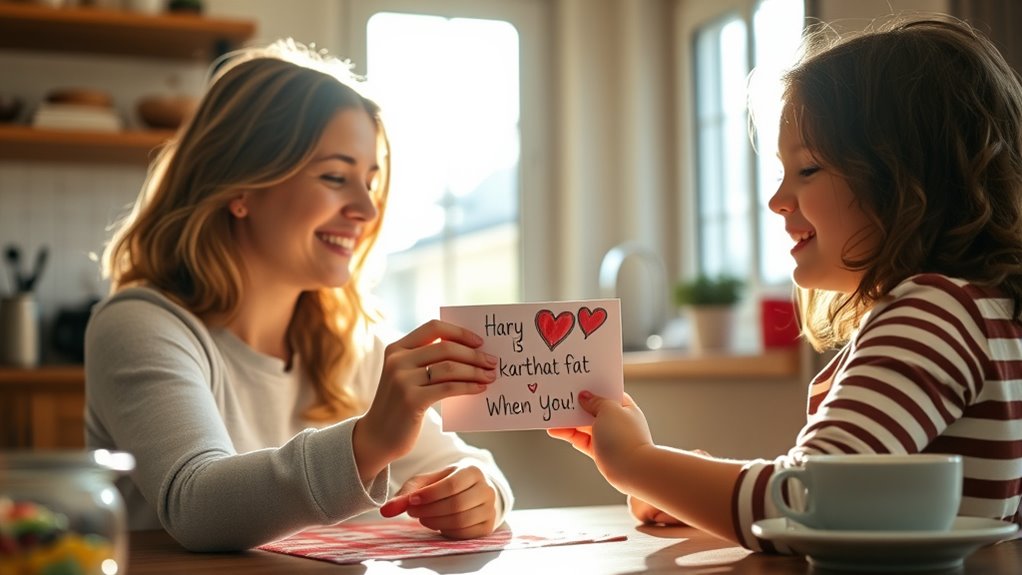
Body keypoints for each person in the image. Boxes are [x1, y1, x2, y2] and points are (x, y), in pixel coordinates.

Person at [549, 15, 1022, 552]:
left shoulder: (932, 314)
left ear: (906, 179)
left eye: (808, 169)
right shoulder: (987, 310)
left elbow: (808, 507)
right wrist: (687, 481)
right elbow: (834, 494)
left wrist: (636, 463)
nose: (777, 200)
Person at [84, 40, 512, 552]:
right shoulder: (139, 325)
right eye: (335, 177)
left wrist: (477, 494)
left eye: (369, 184)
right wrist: (367, 442)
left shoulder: (351, 342)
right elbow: (194, 504)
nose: (366, 211)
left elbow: (472, 468)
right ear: (240, 189)